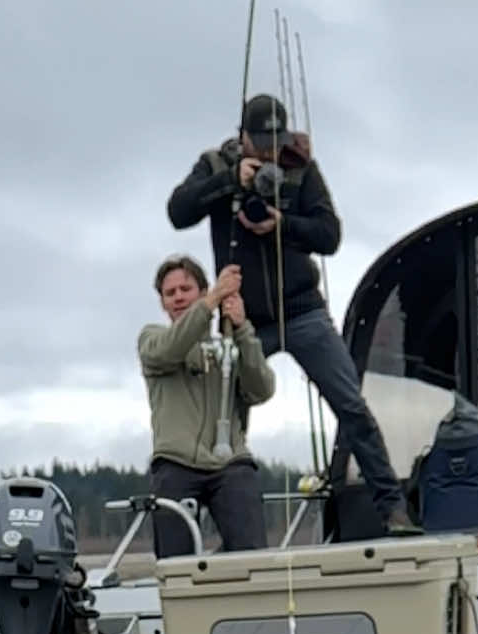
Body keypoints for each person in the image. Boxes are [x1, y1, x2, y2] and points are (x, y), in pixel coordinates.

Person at [167, 92, 419, 536]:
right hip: (241, 319)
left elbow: (330, 235)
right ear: (242, 135)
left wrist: (281, 224)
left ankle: (393, 510)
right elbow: (178, 211)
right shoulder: (213, 164)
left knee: (352, 407)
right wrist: (228, 181)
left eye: (276, 139)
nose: (269, 148)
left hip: (302, 311)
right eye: (261, 139)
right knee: (223, 424)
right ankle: (220, 530)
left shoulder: (300, 167)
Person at [138, 254, 275, 558]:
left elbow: (262, 389)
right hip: (175, 462)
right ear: (162, 303)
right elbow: (169, 350)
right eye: (169, 293)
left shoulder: (227, 347)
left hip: (230, 462)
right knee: (175, 562)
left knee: (252, 553)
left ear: (200, 291)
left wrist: (242, 330)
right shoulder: (152, 339)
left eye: (185, 289)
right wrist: (212, 301)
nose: (177, 298)